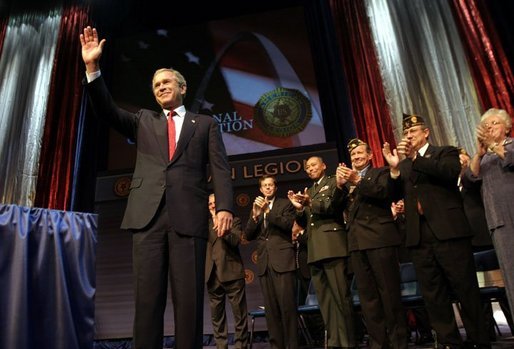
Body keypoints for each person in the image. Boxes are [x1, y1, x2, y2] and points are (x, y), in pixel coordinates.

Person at [80, 27, 234, 349]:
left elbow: (219, 166)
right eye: (155, 85)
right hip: (146, 219)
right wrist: (93, 69)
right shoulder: (144, 121)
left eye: (166, 82)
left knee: (188, 302)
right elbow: (106, 110)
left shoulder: (204, 124)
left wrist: (224, 206)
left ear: (182, 87)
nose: (160, 87)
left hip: (188, 219)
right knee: (147, 302)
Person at [382, 113, 490, 349]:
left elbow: (450, 172)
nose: (409, 136)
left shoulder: (445, 152)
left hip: (449, 233)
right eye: (406, 133)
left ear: (426, 132)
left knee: (465, 290)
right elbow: (391, 194)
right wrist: (393, 171)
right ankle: (450, 342)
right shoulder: (405, 164)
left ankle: (479, 341)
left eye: (413, 132)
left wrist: (414, 158)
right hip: (419, 238)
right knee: (434, 295)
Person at [340, 138, 408, 349]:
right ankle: (379, 344)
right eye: (353, 155)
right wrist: (339, 187)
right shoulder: (347, 182)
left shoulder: (380, 173)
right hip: (357, 244)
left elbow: (385, 193)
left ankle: (398, 343)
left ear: (370, 155)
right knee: (368, 300)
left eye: (360, 153)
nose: (356, 157)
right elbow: (337, 210)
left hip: (379, 239)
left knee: (389, 295)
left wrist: (358, 181)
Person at [287, 156, 356, 349]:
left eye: (313, 165)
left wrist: (310, 203)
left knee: (340, 298)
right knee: (325, 302)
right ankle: (334, 342)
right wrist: (299, 209)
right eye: (307, 167)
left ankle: (348, 342)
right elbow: (304, 223)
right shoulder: (310, 190)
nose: (310, 169)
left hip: (332, 247)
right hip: (315, 250)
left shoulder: (334, 182)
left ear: (324, 165)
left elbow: (332, 208)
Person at [467, 107, 514, 325]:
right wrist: (479, 153)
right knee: (511, 277)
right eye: (487, 125)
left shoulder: (511, 145)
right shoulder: (485, 158)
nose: (490, 128)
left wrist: (495, 146)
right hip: (499, 222)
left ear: (507, 127)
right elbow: (471, 176)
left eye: (495, 123)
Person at [244, 175, 298, 349]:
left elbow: (287, 225)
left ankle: (292, 345)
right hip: (265, 264)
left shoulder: (285, 204)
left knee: (287, 308)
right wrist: (255, 216)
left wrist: (268, 212)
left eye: (270, 185)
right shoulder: (257, 207)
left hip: (283, 261)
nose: (267, 188)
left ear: (275, 187)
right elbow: (248, 235)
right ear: (260, 189)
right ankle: (277, 346)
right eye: (264, 186)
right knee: (271, 310)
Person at [205, 194, 248, 349]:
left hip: (232, 273)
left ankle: (240, 346)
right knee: (217, 318)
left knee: (239, 315)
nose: (212, 205)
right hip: (212, 275)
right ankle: (221, 346)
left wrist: (219, 220)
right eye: (210, 203)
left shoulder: (234, 221)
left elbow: (235, 241)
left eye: (215, 203)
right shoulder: (205, 224)